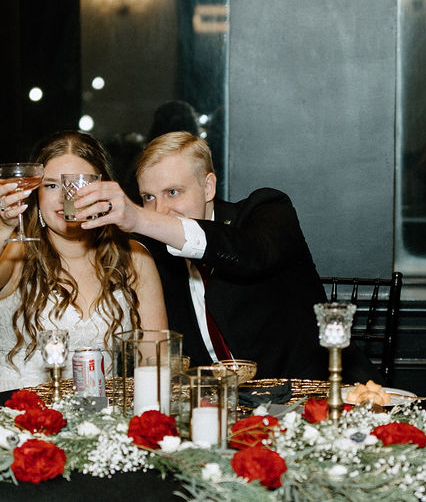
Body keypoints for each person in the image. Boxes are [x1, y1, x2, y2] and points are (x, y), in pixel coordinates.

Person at [70, 131, 337, 381]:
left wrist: (139, 217)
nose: (159, 211)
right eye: (148, 197)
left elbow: (252, 254)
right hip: (214, 407)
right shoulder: (151, 254)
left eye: (173, 192)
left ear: (208, 187)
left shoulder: (265, 211)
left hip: (315, 392)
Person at [0, 131, 167, 393]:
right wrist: (4, 221)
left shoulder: (133, 257)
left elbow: (155, 361)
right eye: (51, 185)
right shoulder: (17, 253)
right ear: (35, 191)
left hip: (103, 421)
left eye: (78, 184)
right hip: (18, 420)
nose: (65, 197)